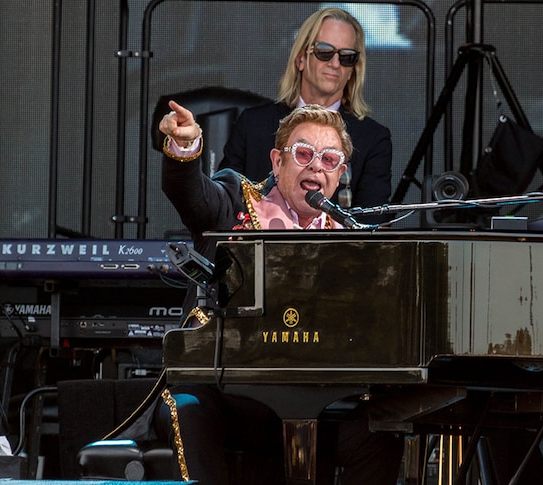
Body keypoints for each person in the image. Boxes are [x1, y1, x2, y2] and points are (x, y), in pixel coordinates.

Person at [156, 103, 403, 484]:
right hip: (231, 394)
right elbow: (193, 195)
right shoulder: (237, 201)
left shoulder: (350, 239)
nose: (316, 167)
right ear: (277, 161)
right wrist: (184, 148)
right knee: (186, 407)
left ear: (340, 174)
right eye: (303, 154)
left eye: (329, 159)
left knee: (380, 431)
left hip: (317, 399)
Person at [217, 7, 392, 217]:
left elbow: (374, 223)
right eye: (324, 52)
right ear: (301, 58)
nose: (335, 63)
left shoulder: (373, 138)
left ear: (353, 70)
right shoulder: (253, 124)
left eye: (347, 57)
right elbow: (223, 204)